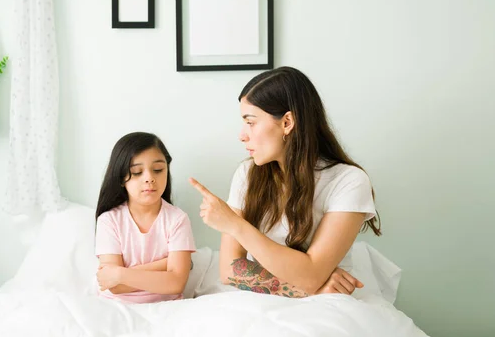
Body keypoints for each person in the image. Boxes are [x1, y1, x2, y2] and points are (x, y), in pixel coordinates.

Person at [190, 66, 381, 297]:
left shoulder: (348, 181)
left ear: (287, 122)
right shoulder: (247, 173)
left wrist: (234, 225)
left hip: (329, 306)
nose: (242, 134)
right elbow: (231, 270)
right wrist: (309, 289)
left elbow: (311, 275)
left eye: (250, 122)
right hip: (267, 299)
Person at [95, 132, 196, 303]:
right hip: (117, 307)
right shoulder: (109, 220)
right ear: (121, 178)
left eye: (158, 170)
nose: (149, 178)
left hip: (169, 308)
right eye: (136, 172)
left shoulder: (178, 219)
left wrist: (120, 273)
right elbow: (114, 286)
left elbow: (176, 284)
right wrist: (165, 265)